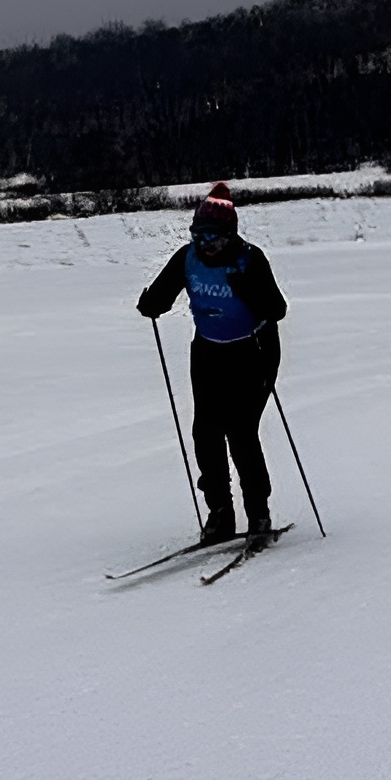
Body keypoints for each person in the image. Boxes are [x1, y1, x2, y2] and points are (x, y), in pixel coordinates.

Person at [137, 183, 287, 545]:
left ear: (231, 235)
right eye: (199, 234)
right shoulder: (186, 258)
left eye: (214, 236)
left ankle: (258, 514)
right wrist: (151, 304)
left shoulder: (250, 260)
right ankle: (220, 513)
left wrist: (245, 287)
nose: (206, 243)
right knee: (205, 435)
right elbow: (162, 294)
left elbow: (277, 309)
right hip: (207, 353)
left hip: (252, 354)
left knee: (241, 433)